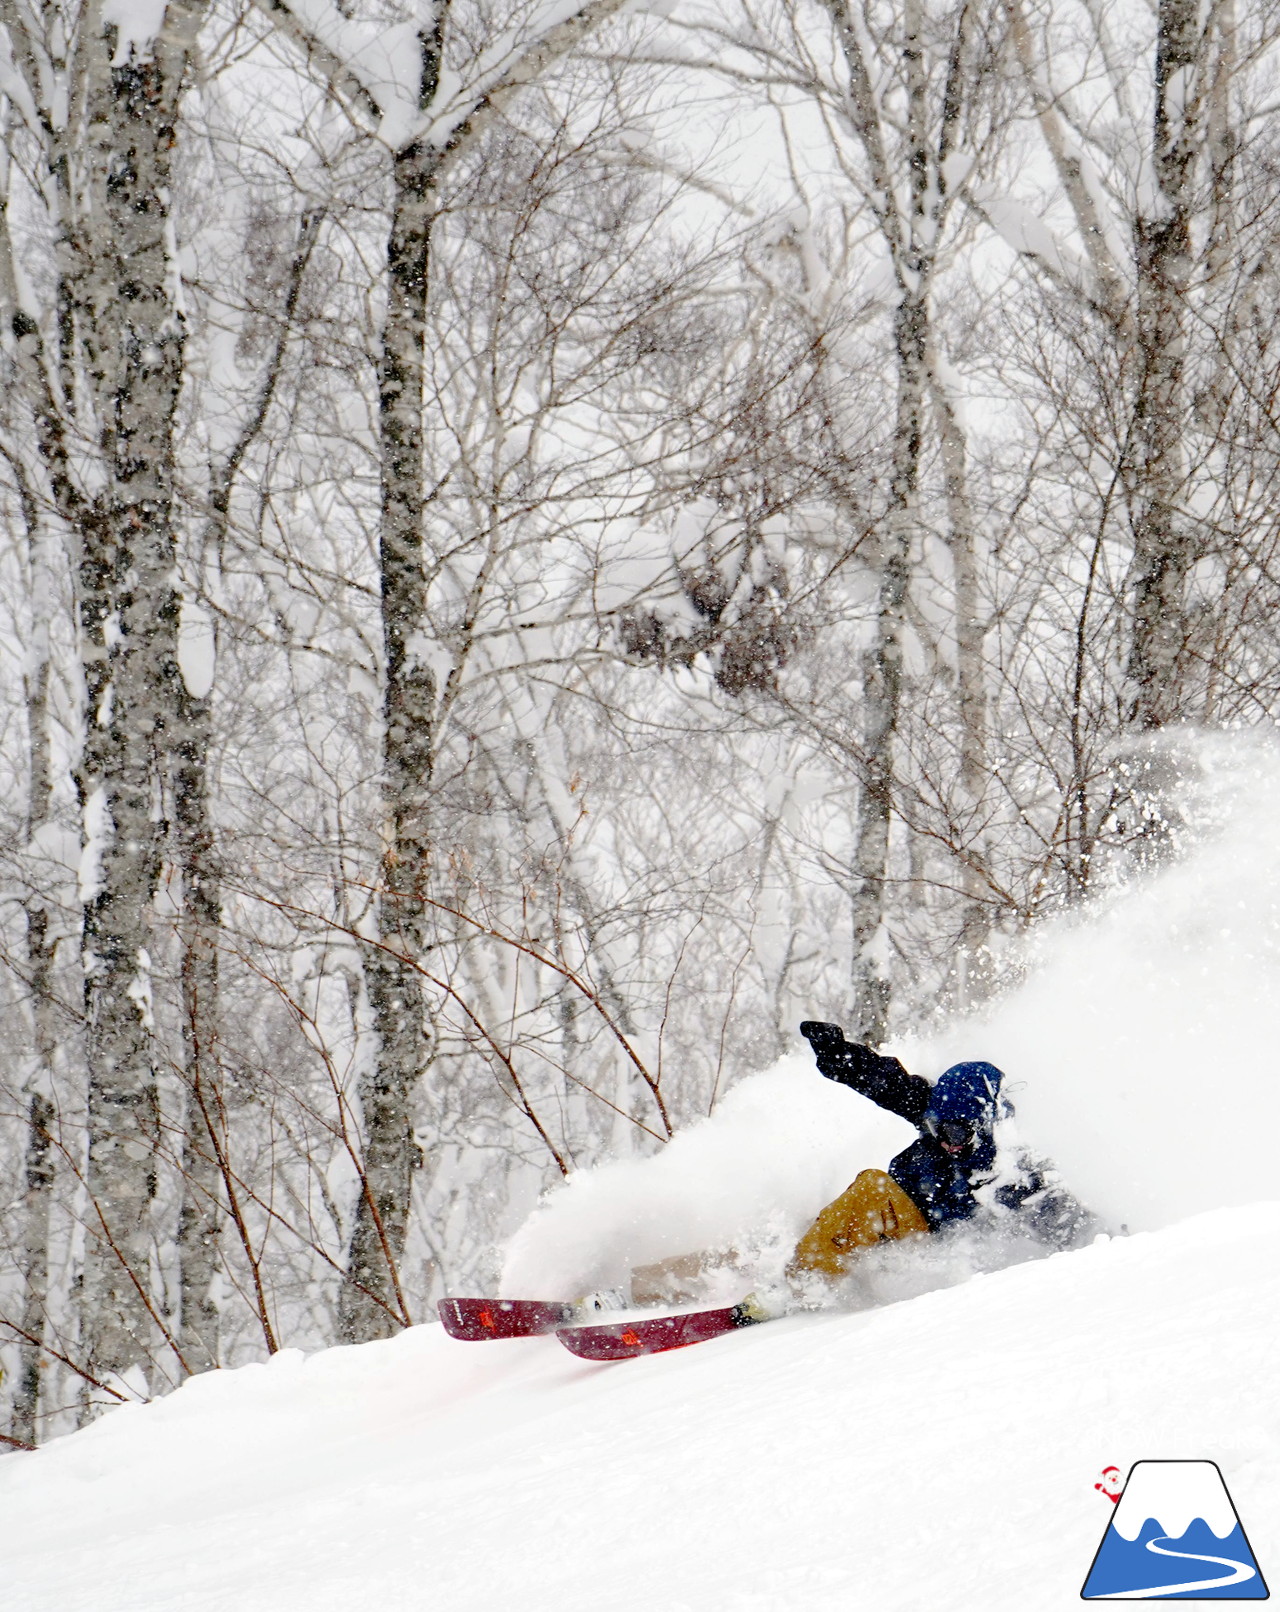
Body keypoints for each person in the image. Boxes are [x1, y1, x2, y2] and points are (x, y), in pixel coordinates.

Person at [788, 1020, 1101, 1286]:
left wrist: (1108, 1240)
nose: (944, 1142)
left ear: (983, 1127)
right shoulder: (935, 1109)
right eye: (937, 1128)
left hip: (926, 1244)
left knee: (872, 1188)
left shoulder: (1011, 1169)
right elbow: (880, 1079)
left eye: (956, 1133)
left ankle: (801, 1283)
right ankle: (782, 1255)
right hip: (893, 1224)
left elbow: (1069, 1223)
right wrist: (836, 1053)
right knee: (844, 1206)